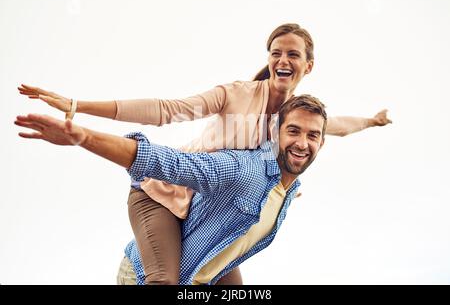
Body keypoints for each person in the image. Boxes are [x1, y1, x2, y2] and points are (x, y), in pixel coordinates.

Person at [18, 23, 392, 284]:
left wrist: (372, 122)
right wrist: (78, 105)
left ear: (307, 65)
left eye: (293, 54)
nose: (283, 59)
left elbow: (337, 125)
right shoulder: (236, 93)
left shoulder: (293, 118)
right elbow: (165, 109)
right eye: (276, 52)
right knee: (165, 280)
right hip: (160, 193)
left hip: (202, 209)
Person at [16, 94, 327, 285]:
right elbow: (170, 163)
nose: (302, 143)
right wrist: (83, 137)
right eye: (293, 131)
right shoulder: (244, 169)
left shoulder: (287, 192)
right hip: (143, 277)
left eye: (313, 135)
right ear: (275, 133)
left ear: (322, 142)